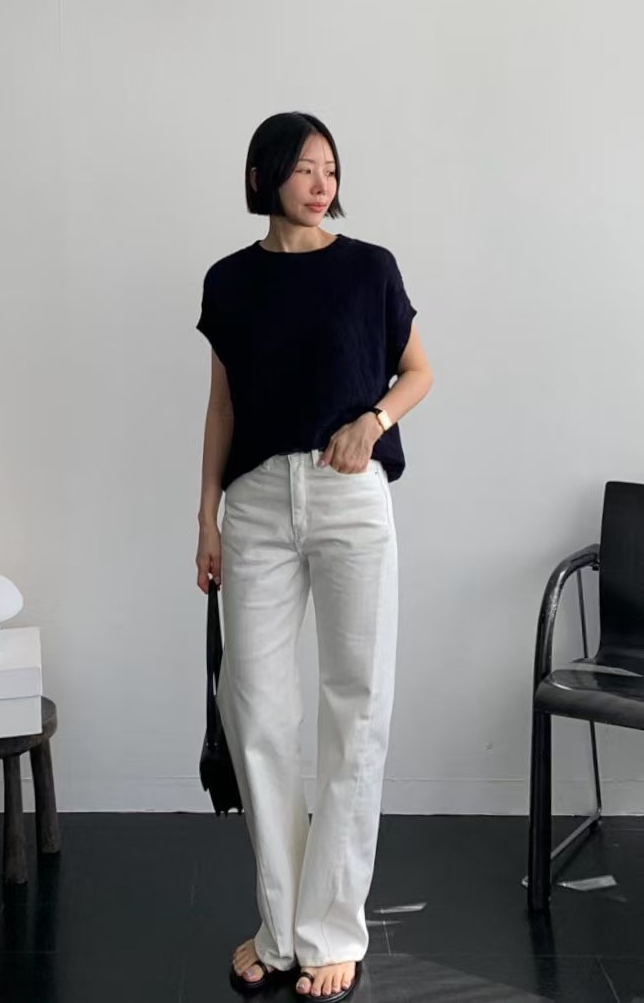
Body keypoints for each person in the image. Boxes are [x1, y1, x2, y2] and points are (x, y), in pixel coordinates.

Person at [195, 111, 433, 1001]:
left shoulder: (370, 268)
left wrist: (373, 421)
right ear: (262, 176)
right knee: (258, 713)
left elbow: (418, 371)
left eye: (330, 167)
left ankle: (332, 927)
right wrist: (207, 516)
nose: (320, 181)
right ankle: (280, 926)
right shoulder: (228, 280)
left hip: (348, 497)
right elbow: (222, 406)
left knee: (355, 707)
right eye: (302, 166)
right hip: (256, 501)